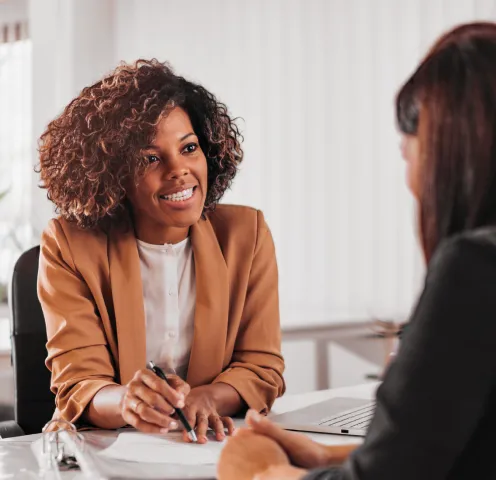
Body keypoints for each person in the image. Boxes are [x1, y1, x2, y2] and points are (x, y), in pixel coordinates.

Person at [218, 21, 496, 479]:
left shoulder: (474, 268)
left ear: (445, 146)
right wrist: (330, 457)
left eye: (407, 152)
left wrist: (259, 471)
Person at [37, 59, 285, 442]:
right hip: (105, 451)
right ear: (113, 172)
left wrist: (208, 398)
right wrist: (126, 402)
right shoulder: (69, 244)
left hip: (207, 447)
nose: (179, 170)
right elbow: (79, 383)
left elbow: (261, 367)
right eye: (150, 158)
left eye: (189, 148)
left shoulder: (245, 235)